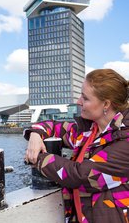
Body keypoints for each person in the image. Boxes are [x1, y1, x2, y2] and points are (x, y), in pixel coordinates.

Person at [24, 69, 129, 223]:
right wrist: (35, 135)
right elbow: (52, 126)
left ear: (106, 104)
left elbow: (80, 176)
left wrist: (37, 158)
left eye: (85, 98)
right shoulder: (87, 132)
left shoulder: (125, 141)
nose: (78, 101)